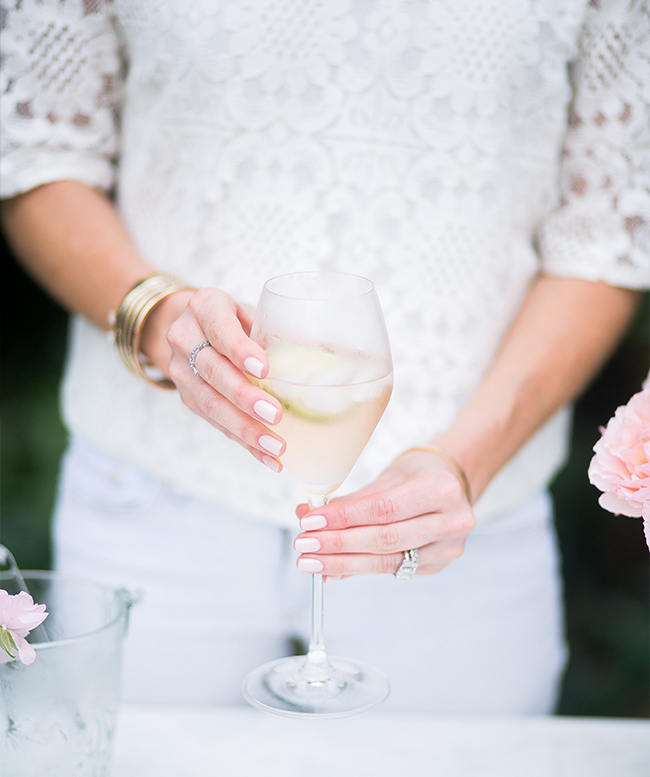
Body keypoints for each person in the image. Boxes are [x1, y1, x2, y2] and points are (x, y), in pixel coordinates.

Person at [1, 0, 647, 711]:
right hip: (151, 500)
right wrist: (154, 314)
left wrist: (468, 462)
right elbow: (36, 158)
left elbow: (610, 230)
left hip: (461, 526)